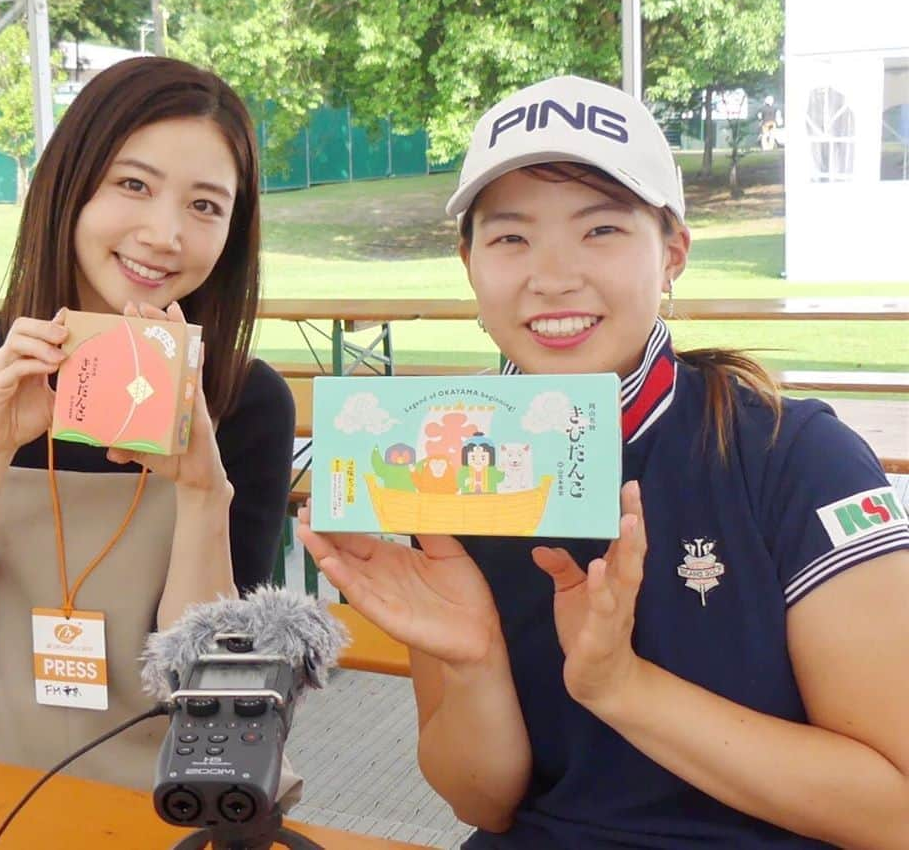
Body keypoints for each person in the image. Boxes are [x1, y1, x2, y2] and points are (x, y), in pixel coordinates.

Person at [298, 76, 909, 848]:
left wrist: (621, 687)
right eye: (510, 237)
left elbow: (895, 809)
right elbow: (481, 803)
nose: (552, 276)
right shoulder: (444, 464)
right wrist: (474, 660)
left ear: (672, 254)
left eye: (601, 231)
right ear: (470, 265)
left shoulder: (796, 457)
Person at [0, 57, 301, 799]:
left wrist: (205, 495)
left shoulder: (246, 402)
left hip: (188, 807)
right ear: (68, 187)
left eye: (206, 206)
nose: (165, 233)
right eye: (133, 185)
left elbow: (210, 689)